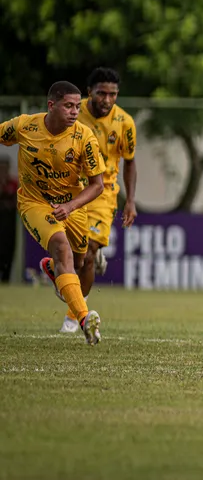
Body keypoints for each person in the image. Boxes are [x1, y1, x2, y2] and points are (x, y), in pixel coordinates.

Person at [0, 81, 105, 344]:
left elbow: (97, 186)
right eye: (68, 106)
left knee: (78, 265)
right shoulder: (25, 126)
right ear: (51, 105)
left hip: (72, 205)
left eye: (76, 107)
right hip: (35, 203)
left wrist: (70, 206)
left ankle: (54, 273)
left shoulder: (84, 137)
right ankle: (84, 320)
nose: (74, 112)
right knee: (61, 248)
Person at [57, 67, 137, 334]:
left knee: (88, 253)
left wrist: (131, 200)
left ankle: (73, 317)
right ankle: (75, 273)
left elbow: (130, 162)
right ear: (89, 92)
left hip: (103, 193)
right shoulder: (72, 112)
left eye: (113, 94)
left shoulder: (125, 123)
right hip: (70, 189)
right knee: (70, 254)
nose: (107, 99)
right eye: (101, 93)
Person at [0, 155, 18, 282]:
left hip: (9, 222)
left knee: (8, 248)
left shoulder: (13, 183)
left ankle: (6, 278)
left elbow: (18, 200)